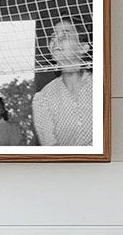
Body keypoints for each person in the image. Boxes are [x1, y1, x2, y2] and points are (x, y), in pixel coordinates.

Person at [32, 16, 93, 146]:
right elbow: (51, 149)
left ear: (83, 47)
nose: (56, 40)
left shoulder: (103, 87)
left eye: (65, 36)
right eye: (53, 37)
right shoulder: (43, 98)